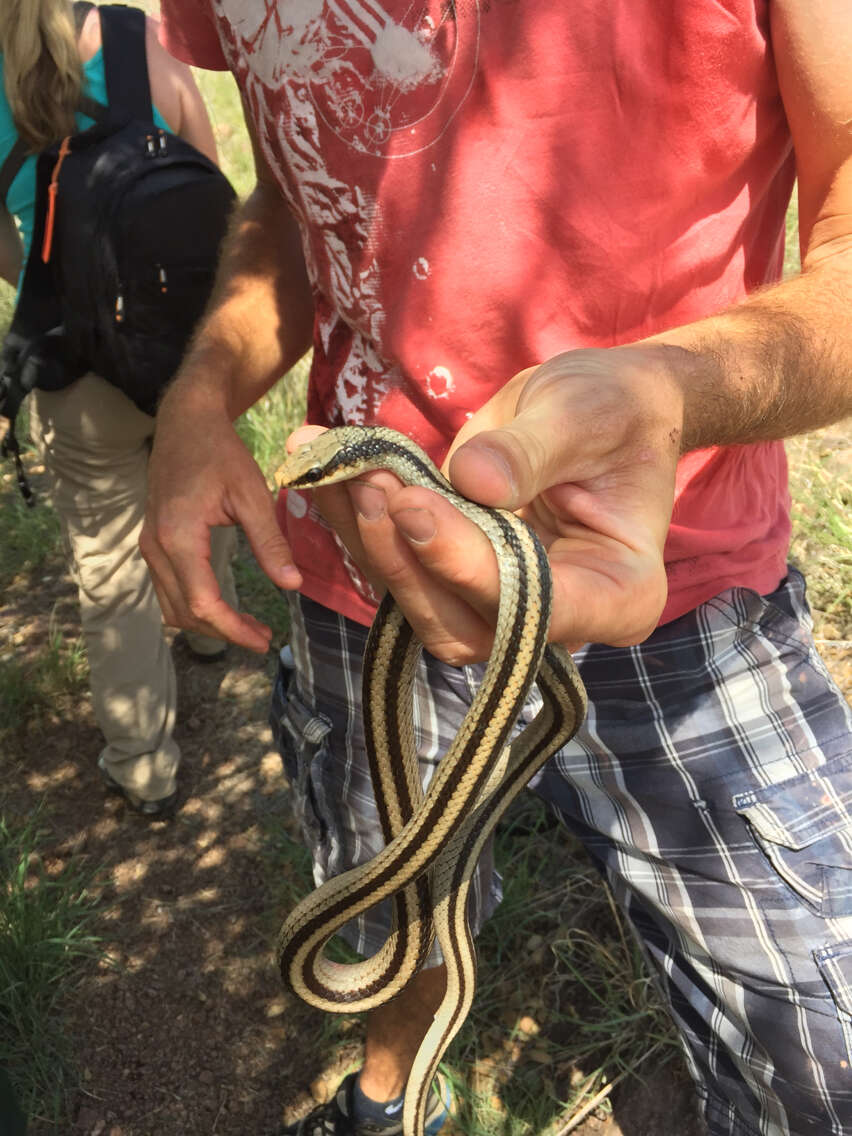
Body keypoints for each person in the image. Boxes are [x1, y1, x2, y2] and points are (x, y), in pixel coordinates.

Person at [143, 2, 852, 1133]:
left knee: (824, 1058)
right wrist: (203, 390)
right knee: (393, 908)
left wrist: (672, 392)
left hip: (675, 581)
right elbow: (296, 198)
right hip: (364, 588)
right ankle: (389, 1098)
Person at [0, 0, 238, 816]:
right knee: (196, 488)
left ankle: (143, 765)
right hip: (181, 345)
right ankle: (212, 628)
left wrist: (59, 285)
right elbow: (214, 185)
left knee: (108, 566)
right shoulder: (141, 38)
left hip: (78, 368)